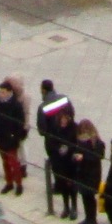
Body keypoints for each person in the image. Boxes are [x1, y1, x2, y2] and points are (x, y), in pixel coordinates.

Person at [40, 87, 76, 216]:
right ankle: (66, 207)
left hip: (70, 162)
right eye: (62, 120)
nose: (64, 122)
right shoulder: (56, 130)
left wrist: (68, 148)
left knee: (71, 185)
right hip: (60, 161)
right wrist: (57, 149)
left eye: (65, 120)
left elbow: (75, 143)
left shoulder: (73, 128)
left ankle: (74, 208)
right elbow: (52, 141)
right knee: (63, 185)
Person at [0, 76, 29, 196]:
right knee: (5, 162)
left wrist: (16, 136)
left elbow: (20, 122)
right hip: (0, 138)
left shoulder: (16, 105)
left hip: (11, 139)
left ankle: (19, 184)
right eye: (0, 92)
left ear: (9, 92)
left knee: (14, 163)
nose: (1, 94)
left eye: (3, 92)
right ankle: (9, 183)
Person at [74, 120, 106, 224]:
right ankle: (88, 218)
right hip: (82, 173)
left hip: (92, 174)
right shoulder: (80, 140)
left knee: (90, 197)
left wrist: (83, 158)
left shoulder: (97, 142)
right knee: (84, 196)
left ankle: (92, 219)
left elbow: (97, 157)